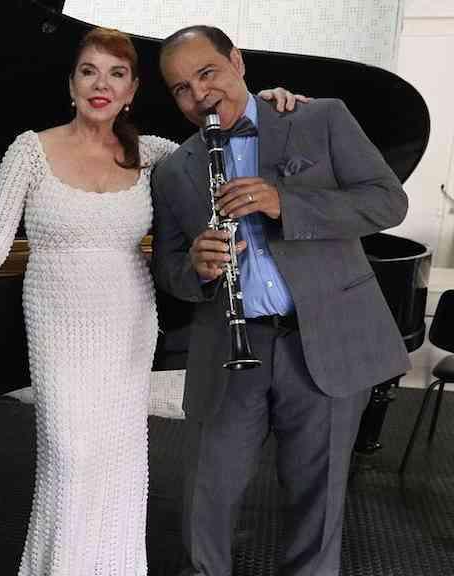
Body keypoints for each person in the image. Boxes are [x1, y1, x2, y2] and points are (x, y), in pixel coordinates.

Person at [0, 27, 301, 576]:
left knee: (121, 456)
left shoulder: (153, 154)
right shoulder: (31, 149)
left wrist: (266, 100)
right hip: (58, 317)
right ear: (71, 84)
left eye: (116, 74)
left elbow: (226, 140)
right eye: (89, 72)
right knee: (70, 453)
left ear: (131, 91)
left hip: (128, 316)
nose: (101, 85)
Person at [151, 26, 409, 576]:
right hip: (229, 348)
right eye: (180, 89)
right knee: (206, 500)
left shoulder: (319, 118)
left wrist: (284, 202)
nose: (198, 94)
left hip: (324, 341)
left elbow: (388, 202)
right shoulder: (174, 170)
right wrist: (195, 268)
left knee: (319, 504)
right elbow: (169, 270)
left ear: (237, 61)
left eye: (207, 73)